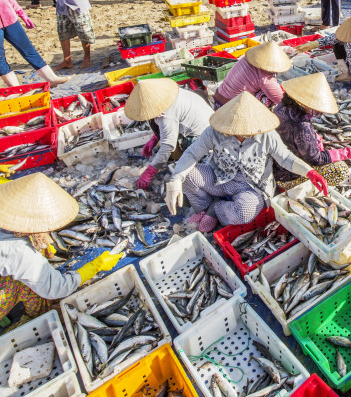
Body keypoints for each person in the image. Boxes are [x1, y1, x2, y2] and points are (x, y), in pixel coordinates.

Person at [164, 92, 329, 229]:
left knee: (244, 213)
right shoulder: (214, 132)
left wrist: (309, 172)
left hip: (252, 187)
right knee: (188, 175)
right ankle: (205, 208)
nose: (246, 134)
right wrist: (175, 180)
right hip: (220, 178)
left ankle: (217, 209)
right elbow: (192, 153)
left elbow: (285, 157)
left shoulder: (266, 134)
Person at [0, 174, 123, 326]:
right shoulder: (17, 250)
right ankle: (40, 317)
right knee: (33, 286)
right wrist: (95, 266)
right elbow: (56, 288)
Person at [124, 79, 214, 195]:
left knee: (171, 151)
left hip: (205, 139)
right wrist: (155, 138)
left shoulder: (166, 115)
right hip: (208, 124)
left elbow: (168, 146)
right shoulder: (173, 95)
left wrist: (150, 172)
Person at [274, 74, 351, 189]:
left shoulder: (282, 105)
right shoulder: (301, 125)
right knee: (340, 169)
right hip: (287, 176)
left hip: (275, 165)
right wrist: (348, 153)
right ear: (305, 103)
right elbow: (315, 159)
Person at [0, 0, 69, 86]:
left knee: (28, 48)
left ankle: (51, 78)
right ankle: (15, 88)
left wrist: (20, 11)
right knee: (0, 58)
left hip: (9, 18)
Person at [298, 16, 351, 96]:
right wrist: (312, 44)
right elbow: (329, 39)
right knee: (337, 43)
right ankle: (345, 74)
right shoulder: (345, 35)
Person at [214, 41, 290, 108]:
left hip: (218, 95)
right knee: (266, 98)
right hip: (229, 106)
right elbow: (282, 100)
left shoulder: (246, 59)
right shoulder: (265, 79)